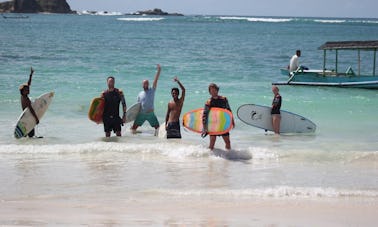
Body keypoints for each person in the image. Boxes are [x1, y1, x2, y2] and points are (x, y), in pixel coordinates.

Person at [202, 83, 235, 150]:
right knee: (212, 143)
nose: (213, 92)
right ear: (209, 92)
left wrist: (232, 121)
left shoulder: (224, 99)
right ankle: (209, 157)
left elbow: (229, 111)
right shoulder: (209, 102)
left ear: (217, 90)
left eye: (214, 90)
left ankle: (229, 156)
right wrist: (205, 127)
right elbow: (205, 115)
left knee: (228, 142)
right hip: (213, 124)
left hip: (223, 123)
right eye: (211, 90)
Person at [131, 64, 161, 135]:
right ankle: (133, 140)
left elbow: (155, 81)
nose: (145, 85)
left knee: (158, 128)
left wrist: (158, 71)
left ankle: (157, 139)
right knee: (133, 128)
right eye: (144, 84)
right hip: (141, 114)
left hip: (150, 114)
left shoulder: (152, 90)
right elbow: (137, 106)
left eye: (147, 84)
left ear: (148, 84)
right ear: (142, 85)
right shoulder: (140, 94)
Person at [19, 67, 39, 138]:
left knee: (26, 134)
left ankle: (25, 145)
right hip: (28, 117)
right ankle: (31, 145)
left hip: (25, 117)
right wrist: (36, 119)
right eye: (26, 90)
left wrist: (31, 74)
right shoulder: (26, 99)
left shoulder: (23, 96)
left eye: (28, 89)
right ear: (23, 91)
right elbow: (31, 109)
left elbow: (28, 83)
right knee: (31, 135)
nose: (28, 90)